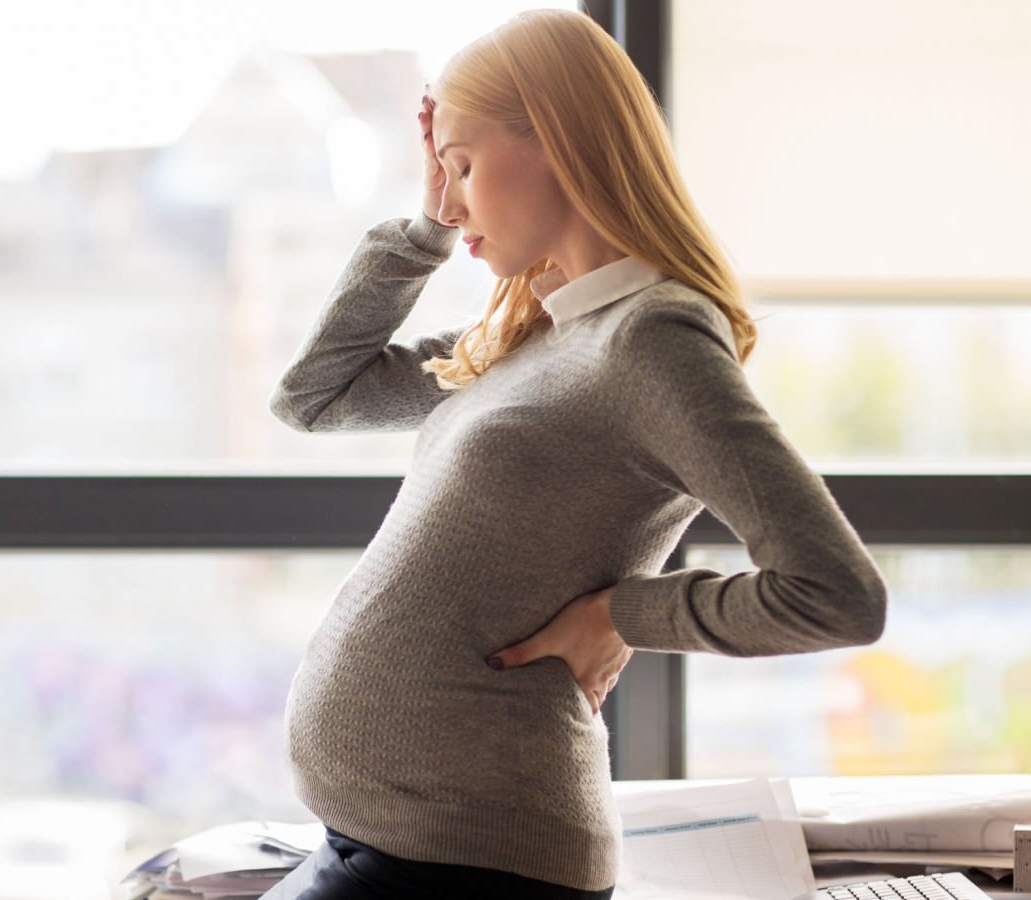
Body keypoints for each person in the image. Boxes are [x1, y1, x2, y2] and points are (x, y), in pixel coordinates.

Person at [263, 9, 887, 899]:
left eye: (467, 165)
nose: (455, 198)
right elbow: (315, 397)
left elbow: (837, 596)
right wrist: (427, 226)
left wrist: (622, 614)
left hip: (464, 866)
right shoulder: (540, 333)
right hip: (380, 842)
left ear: (555, 137)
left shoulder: (651, 339)